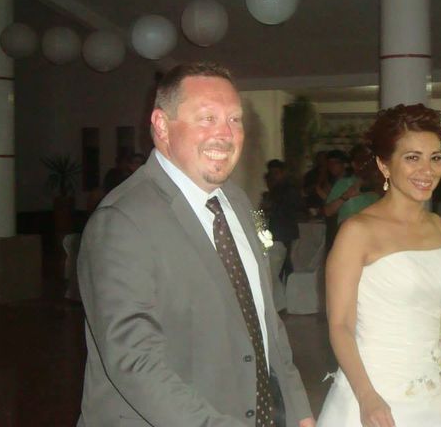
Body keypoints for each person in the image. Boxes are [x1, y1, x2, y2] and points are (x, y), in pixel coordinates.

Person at [76, 62, 314, 427]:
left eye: (234, 120)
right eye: (207, 118)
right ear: (160, 126)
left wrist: (297, 409)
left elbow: (266, 321)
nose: (225, 134)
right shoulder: (122, 221)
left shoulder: (236, 201)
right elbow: (135, 363)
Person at [318, 104, 441, 427]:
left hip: (435, 394)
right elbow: (340, 324)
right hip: (376, 393)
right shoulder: (357, 231)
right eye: (412, 158)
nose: (427, 170)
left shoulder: (438, 227)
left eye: (435, 158)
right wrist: (366, 396)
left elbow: (437, 315)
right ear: (384, 165)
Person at [260, 159, 304, 282]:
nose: (274, 176)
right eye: (272, 173)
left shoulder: (289, 190)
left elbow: (292, 208)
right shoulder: (275, 190)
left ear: (282, 173)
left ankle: (287, 289)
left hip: (285, 231)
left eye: (276, 173)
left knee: (285, 263)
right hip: (277, 230)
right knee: (278, 264)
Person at [323, 144, 381, 225]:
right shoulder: (344, 183)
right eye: (362, 162)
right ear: (354, 164)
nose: (366, 165)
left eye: (369, 161)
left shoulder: (380, 184)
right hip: (350, 233)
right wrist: (345, 196)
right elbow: (327, 211)